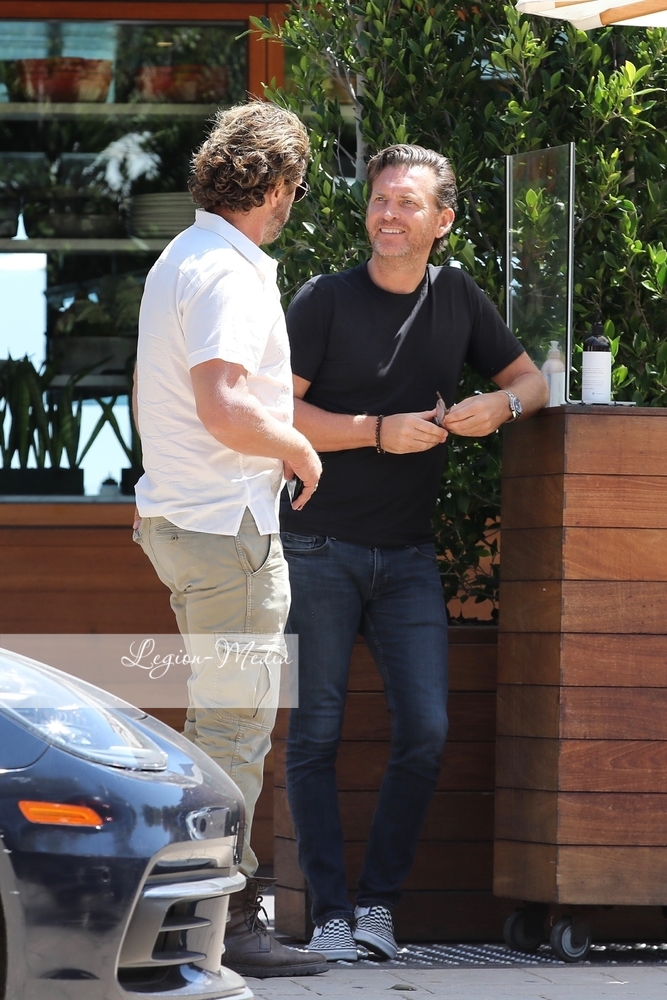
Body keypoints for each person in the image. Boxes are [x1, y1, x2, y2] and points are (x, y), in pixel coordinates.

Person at [281, 143, 549, 961]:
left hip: (405, 557)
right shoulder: (323, 300)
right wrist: (374, 432)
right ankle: (329, 915)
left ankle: (377, 908)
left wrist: (499, 407)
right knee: (314, 735)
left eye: (407, 203)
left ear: (443, 220)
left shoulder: (457, 296)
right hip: (317, 546)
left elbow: (533, 381)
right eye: (380, 200)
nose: (388, 215)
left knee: (426, 731)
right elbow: (277, 418)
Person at [132, 102, 326, 979]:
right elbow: (222, 404)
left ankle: (194, 913)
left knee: (216, 724)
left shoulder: (183, 255)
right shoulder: (226, 271)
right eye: (296, 187)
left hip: (188, 520)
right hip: (227, 529)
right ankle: (221, 921)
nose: (292, 203)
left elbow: (176, 397)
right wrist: (298, 447)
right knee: (233, 732)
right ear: (276, 184)